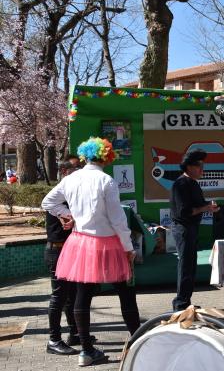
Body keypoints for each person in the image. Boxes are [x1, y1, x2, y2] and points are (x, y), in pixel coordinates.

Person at [41, 137, 138, 366]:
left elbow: (48, 202)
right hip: (107, 242)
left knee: (82, 295)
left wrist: (68, 215)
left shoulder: (71, 178)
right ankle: (138, 339)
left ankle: (86, 350)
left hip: (79, 242)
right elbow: (117, 218)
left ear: (86, 155)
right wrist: (128, 247)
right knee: (125, 292)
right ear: (106, 156)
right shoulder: (106, 180)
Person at [170, 149, 220, 311]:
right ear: (189, 167)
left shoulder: (192, 183)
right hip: (183, 229)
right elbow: (184, 211)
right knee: (185, 266)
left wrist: (208, 207)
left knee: (190, 266)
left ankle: (185, 302)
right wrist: (205, 207)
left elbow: (197, 206)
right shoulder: (181, 184)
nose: (202, 170)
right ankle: (180, 304)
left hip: (190, 228)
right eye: (199, 166)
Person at [45, 160, 82, 356]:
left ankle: (75, 332)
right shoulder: (57, 196)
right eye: (76, 169)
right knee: (59, 297)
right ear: (64, 171)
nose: (79, 173)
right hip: (57, 251)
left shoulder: (70, 194)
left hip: (69, 251)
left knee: (72, 295)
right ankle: (54, 339)